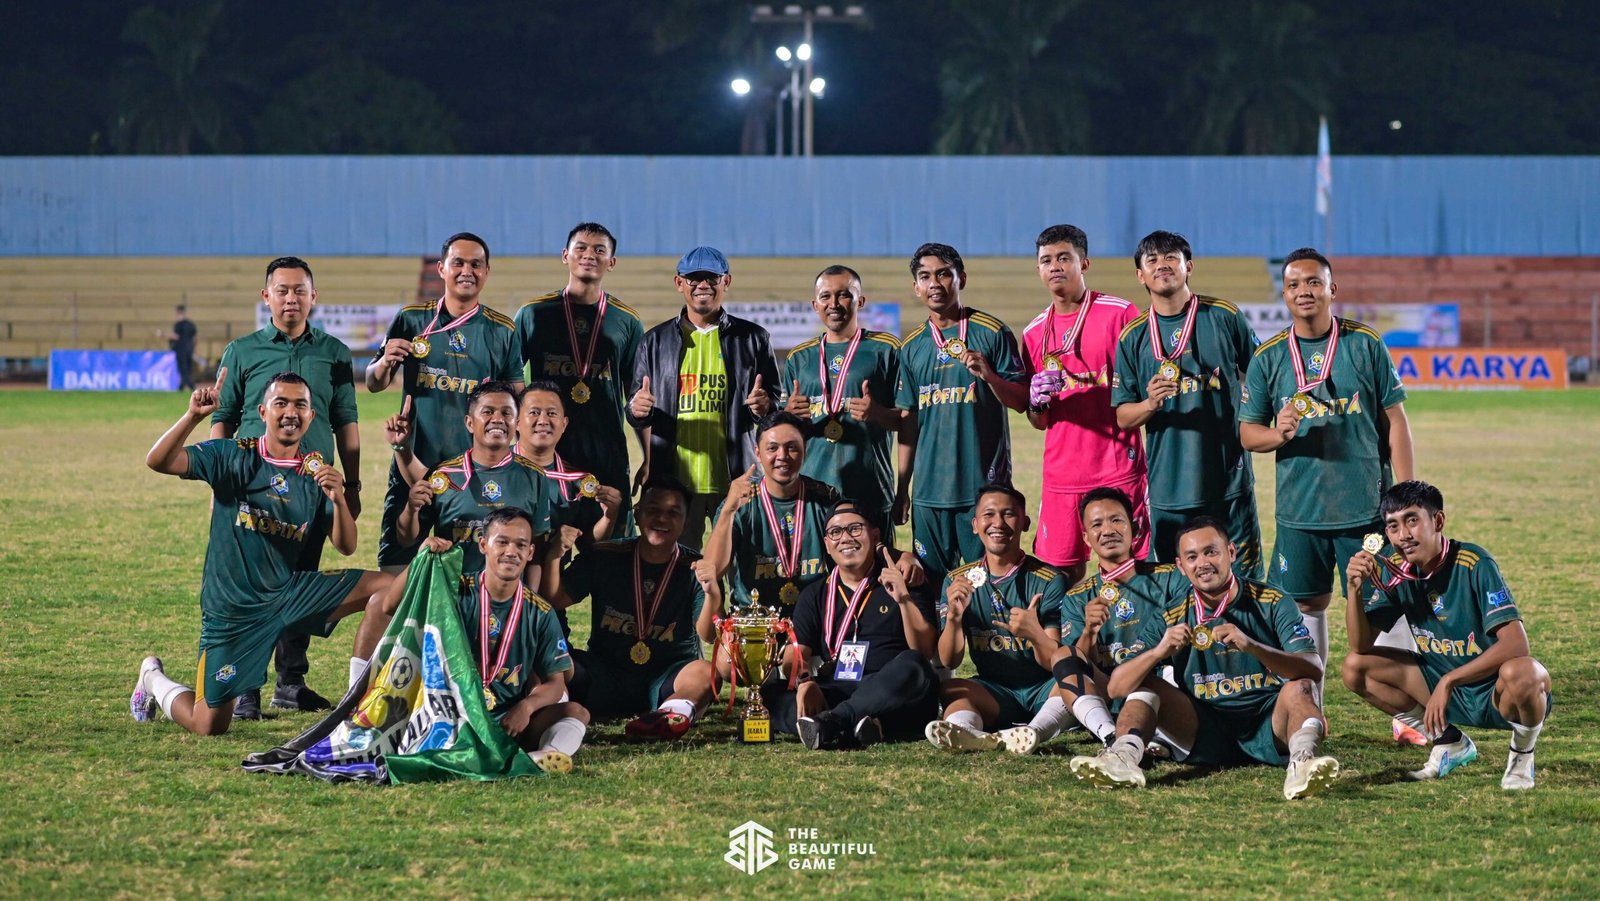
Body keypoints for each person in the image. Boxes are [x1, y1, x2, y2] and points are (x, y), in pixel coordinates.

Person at [129, 371, 393, 736]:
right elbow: (158, 461)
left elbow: (346, 545)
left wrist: (339, 498)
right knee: (209, 725)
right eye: (281, 403)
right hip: (234, 609)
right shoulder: (233, 455)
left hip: (288, 594)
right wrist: (193, 417)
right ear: (263, 411)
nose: (290, 412)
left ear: (311, 416)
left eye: (300, 404)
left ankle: (355, 704)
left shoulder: (314, 473)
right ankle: (153, 679)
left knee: (394, 586)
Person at [1240, 247, 1415, 713]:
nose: (1304, 291)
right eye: (1295, 284)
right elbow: (1247, 433)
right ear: (1284, 294)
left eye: (1314, 282)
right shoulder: (1269, 356)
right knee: (1306, 609)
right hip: (1300, 513)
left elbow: (1395, 421)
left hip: (1365, 510)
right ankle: (1309, 709)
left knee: (1385, 609)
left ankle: (1409, 711)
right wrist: (1278, 433)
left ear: (1332, 289)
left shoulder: (1364, 344)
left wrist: (1405, 495)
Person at [1089, 517, 1339, 800]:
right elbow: (1115, 688)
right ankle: (1122, 760)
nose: (1203, 563)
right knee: (1144, 686)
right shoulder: (1169, 616)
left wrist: (1252, 646)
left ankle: (1303, 765)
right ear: (1181, 567)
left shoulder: (1271, 599)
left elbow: (1313, 668)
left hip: (1267, 722)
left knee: (1300, 687)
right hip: (1201, 726)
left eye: (1211, 551)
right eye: (1192, 557)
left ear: (1230, 553)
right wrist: (1158, 652)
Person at [211, 256, 361, 717]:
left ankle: (290, 682)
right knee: (255, 585)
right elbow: (223, 418)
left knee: (301, 582)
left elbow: (346, 425)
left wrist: (350, 486)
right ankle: (246, 686)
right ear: (266, 297)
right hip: (255, 489)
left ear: (313, 297)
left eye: (300, 290)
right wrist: (224, 474)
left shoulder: (335, 353)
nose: (291, 298)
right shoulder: (242, 351)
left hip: (313, 491)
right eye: (282, 290)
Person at [1342, 481, 1551, 790]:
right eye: (1393, 526)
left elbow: (1517, 644)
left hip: (1494, 692)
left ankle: (1522, 756)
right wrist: (1354, 590)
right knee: (1354, 668)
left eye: (1412, 520)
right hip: (1440, 685)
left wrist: (1449, 681)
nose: (1404, 535)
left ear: (1437, 521)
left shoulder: (1475, 563)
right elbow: (1360, 645)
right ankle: (1448, 742)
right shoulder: (1396, 568)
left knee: (1525, 673)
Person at [368, 232, 523, 573]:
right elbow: (374, 383)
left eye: (476, 264)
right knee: (398, 571)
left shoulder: (502, 330)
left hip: (474, 474)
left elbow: (517, 400)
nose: (466, 270)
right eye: (458, 263)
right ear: (441, 269)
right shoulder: (411, 319)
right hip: (414, 462)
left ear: (486, 272)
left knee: (471, 572)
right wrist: (384, 363)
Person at [1113, 231, 1262, 577]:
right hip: (1169, 487)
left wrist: (1251, 414)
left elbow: (1261, 375)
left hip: (1229, 482)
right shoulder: (1132, 336)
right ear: (1140, 275)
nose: (1162, 265)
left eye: (1171, 258)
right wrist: (1150, 403)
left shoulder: (1224, 316)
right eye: (1152, 260)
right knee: (1173, 589)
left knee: (1244, 583)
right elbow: (1123, 416)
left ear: (1188, 266)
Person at [1008, 487, 1190, 756]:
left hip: (1158, 685)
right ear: (1086, 537)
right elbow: (1078, 664)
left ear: (1135, 528)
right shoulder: (1077, 597)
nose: (1107, 530)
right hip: (1109, 689)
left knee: (1149, 687)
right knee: (1064, 658)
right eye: (1097, 524)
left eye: (1116, 520)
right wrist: (1090, 632)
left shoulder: (1169, 578)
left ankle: (1149, 737)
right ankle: (1052, 733)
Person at [403, 511, 585, 773]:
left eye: (521, 545)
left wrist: (526, 706)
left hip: (507, 720)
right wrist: (421, 557)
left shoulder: (541, 612)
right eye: (502, 542)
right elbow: (392, 605)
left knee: (577, 712)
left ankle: (544, 758)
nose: (511, 551)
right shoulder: (455, 593)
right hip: (451, 715)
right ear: (483, 545)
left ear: (531, 552)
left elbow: (555, 682)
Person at [543, 477, 722, 740]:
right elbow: (555, 599)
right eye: (653, 510)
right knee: (557, 662)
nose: (662, 519)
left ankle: (668, 716)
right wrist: (554, 556)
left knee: (707, 673)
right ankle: (561, 712)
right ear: (637, 513)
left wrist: (713, 594)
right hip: (605, 671)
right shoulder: (606, 556)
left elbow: (708, 635)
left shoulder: (695, 567)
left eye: (673, 513)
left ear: (685, 523)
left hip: (668, 675)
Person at [627, 246, 780, 547]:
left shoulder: (753, 338)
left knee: (744, 565)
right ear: (679, 283)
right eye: (694, 278)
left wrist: (766, 407)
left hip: (736, 477)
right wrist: (637, 408)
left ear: (726, 282)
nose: (703, 286)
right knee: (679, 568)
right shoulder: (654, 341)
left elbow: (774, 405)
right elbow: (634, 409)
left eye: (711, 278)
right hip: (675, 482)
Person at [896, 243, 1029, 590]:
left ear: (961, 278)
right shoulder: (911, 347)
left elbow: (1021, 401)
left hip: (981, 492)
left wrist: (991, 377)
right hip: (928, 494)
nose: (935, 283)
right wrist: (902, 488)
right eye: (925, 277)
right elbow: (909, 422)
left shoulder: (992, 332)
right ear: (916, 287)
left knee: (985, 588)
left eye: (943, 273)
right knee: (930, 587)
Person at [1022, 225, 1146, 585]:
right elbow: (1038, 421)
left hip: (1117, 468)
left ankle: (1129, 641)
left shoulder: (1120, 314)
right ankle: (1070, 643)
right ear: (1039, 270)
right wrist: (1035, 402)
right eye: (1047, 260)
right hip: (1062, 474)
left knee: (1126, 569)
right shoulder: (1032, 333)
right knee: (1061, 573)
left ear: (1084, 263)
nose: (1055, 266)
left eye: (1064, 258)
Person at [767, 500, 939, 749]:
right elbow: (796, 656)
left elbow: (924, 651)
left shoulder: (905, 580)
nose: (845, 538)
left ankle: (833, 721)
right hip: (839, 687)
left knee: (914, 666)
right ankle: (862, 726)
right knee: (769, 692)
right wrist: (806, 682)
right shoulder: (815, 593)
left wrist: (903, 599)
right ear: (827, 543)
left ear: (876, 535)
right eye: (835, 532)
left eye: (855, 529)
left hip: (889, 686)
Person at [515, 223, 644, 535]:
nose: (590, 255)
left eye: (600, 250)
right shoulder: (533, 314)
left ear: (611, 262)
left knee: (611, 550)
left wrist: (648, 459)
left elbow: (639, 396)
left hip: (606, 449)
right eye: (581, 248)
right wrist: (515, 440)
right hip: (547, 449)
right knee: (542, 546)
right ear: (565, 256)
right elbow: (509, 380)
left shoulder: (626, 320)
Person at [924, 484, 1066, 754]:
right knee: (953, 689)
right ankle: (969, 734)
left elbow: (1055, 662)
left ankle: (1034, 732)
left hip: (1044, 687)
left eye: (1008, 514)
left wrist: (1034, 633)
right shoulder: (958, 581)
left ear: (1024, 522)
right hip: (996, 691)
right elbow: (948, 660)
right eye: (989, 515)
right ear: (975, 525)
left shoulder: (1049, 579)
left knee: (1073, 681)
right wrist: (954, 617)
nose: (998, 523)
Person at [396, 380, 565, 580]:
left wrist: (528, 601)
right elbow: (406, 539)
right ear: (469, 423)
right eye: (488, 412)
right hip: (450, 595)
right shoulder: (443, 475)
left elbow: (535, 554)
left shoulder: (534, 476)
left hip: (507, 600)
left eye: (506, 413)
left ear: (516, 422)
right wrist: (411, 509)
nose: (498, 419)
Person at [782, 266, 905, 539]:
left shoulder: (886, 349)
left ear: (860, 301)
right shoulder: (799, 358)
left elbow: (909, 421)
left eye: (844, 295)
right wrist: (789, 416)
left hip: (871, 490)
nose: (834, 304)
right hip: (812, 492)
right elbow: (783, 432)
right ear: (815, 305)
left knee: (874, 577)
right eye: (825, 296)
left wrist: (878, 413)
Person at [703, 412, 838, 615]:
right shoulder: (740, 503)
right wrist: (728, 511)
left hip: (812, 624)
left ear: (805, 451)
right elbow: (713, 570)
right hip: (755, 625)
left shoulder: (826, 499)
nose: (782, 456)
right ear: (757, 453)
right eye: (772, 448)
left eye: (792, 447)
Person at [515, 380, 623, 545]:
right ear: (516, 421)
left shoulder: (578, 482)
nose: (543, 420)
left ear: (564, 424)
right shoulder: (489, 469)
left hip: (551, 570)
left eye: (552, 413)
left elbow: (588, 542)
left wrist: (609, 516)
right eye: (534, 412)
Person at [168, 304, 197, 391]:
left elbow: (176, 336)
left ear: (178, 313)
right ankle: (182, 386)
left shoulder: (178, 325)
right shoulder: (191, 324)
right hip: (189, 350)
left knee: (182, 369)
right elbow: (195, 338)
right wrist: (193, 348)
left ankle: (190, 386)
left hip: (181, 350)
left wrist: (163, 335)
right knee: (188, 368)